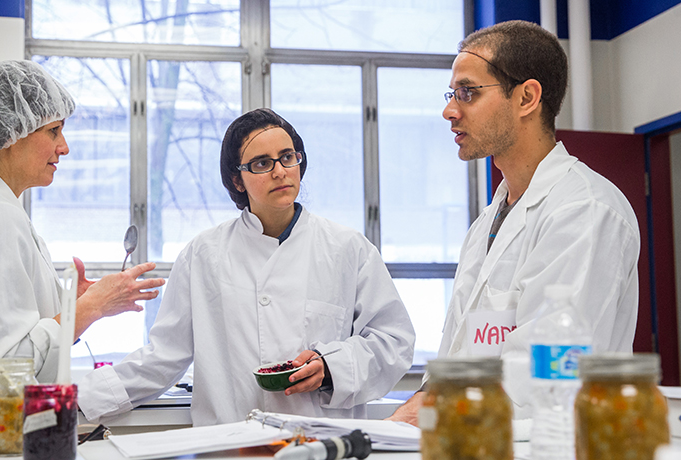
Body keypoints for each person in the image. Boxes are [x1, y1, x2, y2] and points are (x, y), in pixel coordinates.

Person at [78, 108, 416, 426]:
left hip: (318, 442)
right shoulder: (204, 255)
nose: (280, 171)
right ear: (237, 180)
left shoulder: (347, 248)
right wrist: (74, 401)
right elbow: (164, 357)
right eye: (261, 163)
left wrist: (331, 366)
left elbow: (393, 341)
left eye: (287, 157)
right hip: (230, 445)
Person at [388, 20, 641, 425]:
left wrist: (433, 413)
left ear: (526, 97)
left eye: (468, 93)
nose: (449, 111)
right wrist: (416, 406)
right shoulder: (490, 219)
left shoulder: (585, 211)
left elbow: (547, 374)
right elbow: (459, 348)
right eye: (451, 94)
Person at [0, 60, 165, 443]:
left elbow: (2, 338)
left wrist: (68, 306)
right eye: (53, 131)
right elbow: (1, 368)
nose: (64, 147)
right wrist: (89, 307)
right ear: (11, 133)